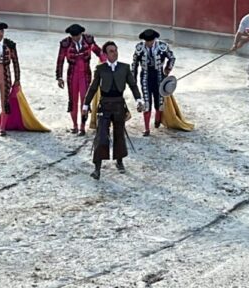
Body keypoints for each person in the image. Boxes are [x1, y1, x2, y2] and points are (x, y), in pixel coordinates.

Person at [82, 41, 143, 180]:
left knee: (119, 134)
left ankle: (119, 160)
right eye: (111, 51)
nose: (114, 53)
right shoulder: (100, 69)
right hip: (104, 105)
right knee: (101, 135)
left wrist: (139, 100)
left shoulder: (124, 68)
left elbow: (133, 85)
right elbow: (93, 88)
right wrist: (86, 105)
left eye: (115, 50)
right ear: (105, 54)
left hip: (119, 105)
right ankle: (97, 168)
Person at [56, 24, 104, 135]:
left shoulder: (88, 41)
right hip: (72, 74)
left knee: (85, 100)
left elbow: (98, 52)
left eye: (77, 36)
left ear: (81, 34)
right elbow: (60, 60)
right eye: (73, 36)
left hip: (85, 74)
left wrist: (106, 62)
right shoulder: (65, 43)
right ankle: (75, 125)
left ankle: (82, 127)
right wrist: (59, 77)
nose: (75, 38)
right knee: (72, 100)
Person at [132, 28, 175, 136]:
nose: (149, 43)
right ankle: (147, 128)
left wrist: (167, 69)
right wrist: (133, 79)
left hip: (159, 76)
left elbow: (172, 58)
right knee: (147, 101)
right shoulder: (139, 48)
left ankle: (157, 119)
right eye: (147, 41)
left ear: (154, 39)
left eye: (151, 41)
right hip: (146, 77)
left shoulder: (162, 46)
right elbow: (134, 64)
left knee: (159, 100)